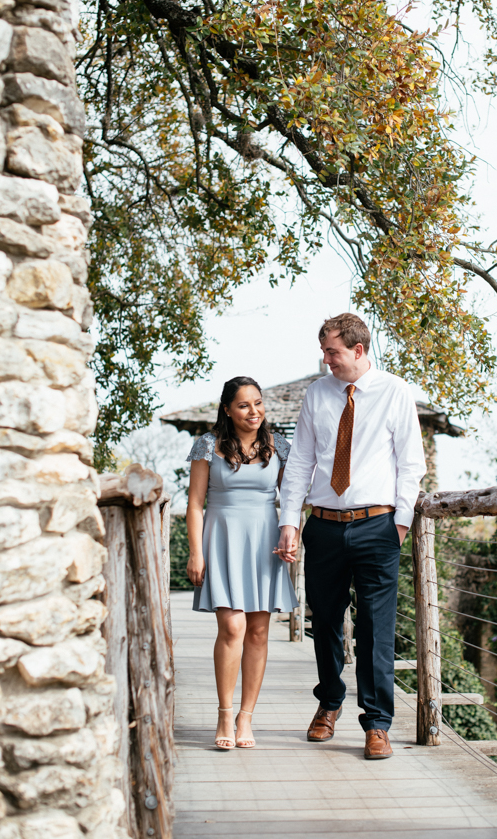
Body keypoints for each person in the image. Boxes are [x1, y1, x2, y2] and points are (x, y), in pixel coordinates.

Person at [277, 313, 426, 760]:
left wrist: (398, 524)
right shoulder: (316, 395)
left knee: (376, 629)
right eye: (324, 352)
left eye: (333, 353)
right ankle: (329, 701)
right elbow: (301, 461)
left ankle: (377, 723)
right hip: (322, 525)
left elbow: (411, 463)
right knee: (323, 620)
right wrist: (290, 519)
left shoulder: (395, 392)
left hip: (377, 526)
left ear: (358, 351)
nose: (326, 361)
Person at [185, 376, 298, 751]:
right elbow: (195, 504)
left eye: (258, 403)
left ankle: (246, 717)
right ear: (227, 410)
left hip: (265, 543)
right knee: (232, 628)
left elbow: (293, 498)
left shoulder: (278, 445)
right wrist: (196, 552)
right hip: (221, 541)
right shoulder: (207, 446)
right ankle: (223, 712)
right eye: (245, 405)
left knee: (259, 632)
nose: (254, 412)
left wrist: (291, 533)